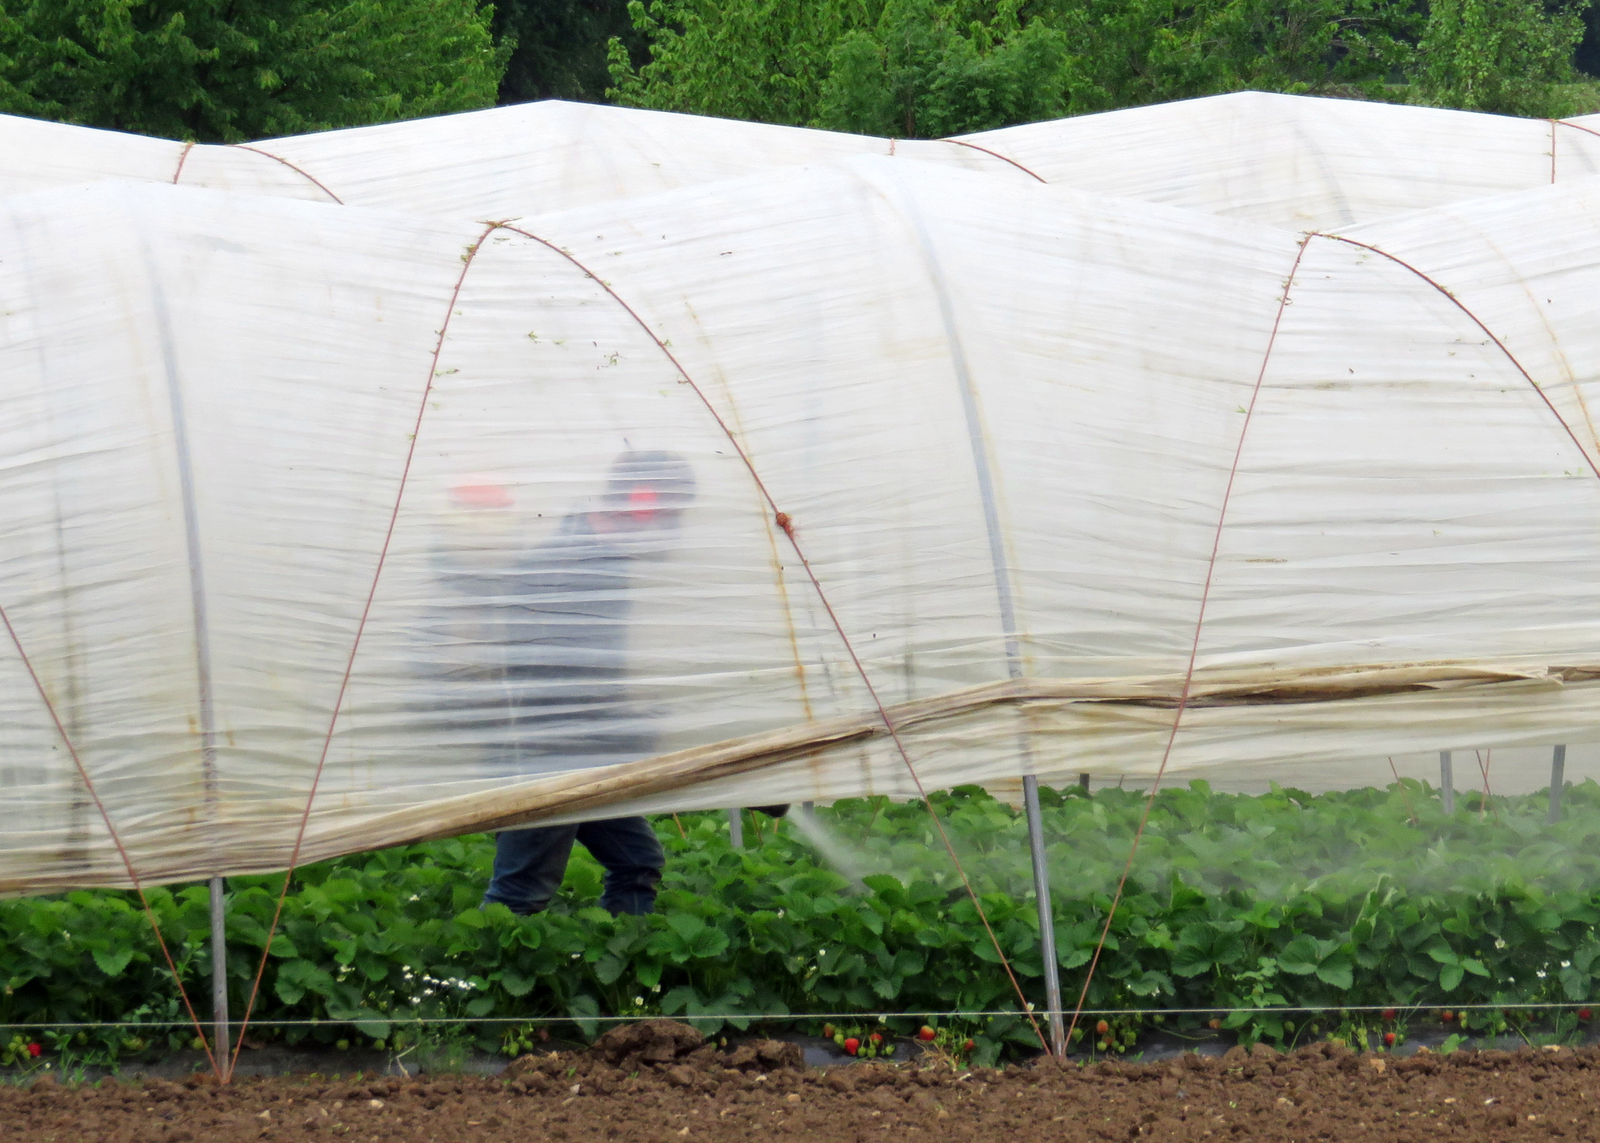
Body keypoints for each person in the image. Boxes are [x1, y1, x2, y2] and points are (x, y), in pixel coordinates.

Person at [434, 450, 695, 916]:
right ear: (643, 503)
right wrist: (637, 730)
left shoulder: (600, 557)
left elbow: (589, 671)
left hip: (579, 749)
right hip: (547, 753)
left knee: (637, 860)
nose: (673, 528)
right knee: (521, 891)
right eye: (673, 513)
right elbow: (549, 680)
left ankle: (627, 951)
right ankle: (488, 972)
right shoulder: (569, 564)